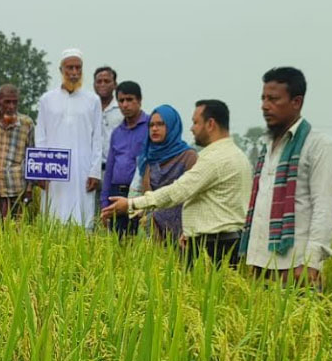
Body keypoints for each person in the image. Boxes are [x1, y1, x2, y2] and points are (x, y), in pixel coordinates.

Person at [102, 100, 252, 267]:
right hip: (215, 238)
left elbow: (179, 191)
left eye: (196, 122)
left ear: (210, 124)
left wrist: (131, 204)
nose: (192, 128)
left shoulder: (214, 159)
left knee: (202, 290)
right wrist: (190, 230)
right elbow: (209, 200)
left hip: (214, 245)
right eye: (152, 125)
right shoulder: (237, 155)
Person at [239, 67, 332, 288]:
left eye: (273, 99)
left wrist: (311, 262)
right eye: (263, 98)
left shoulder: (318, 145)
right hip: (260, 265)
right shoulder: (267, 147)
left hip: (295, 267)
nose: (265, 106)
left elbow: (324, 204)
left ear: (296, 102)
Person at [35, 49, 103, 230]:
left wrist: (95, 172)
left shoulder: (93, 100)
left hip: (83, 169)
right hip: (54, 170)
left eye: (78, 68)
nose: (74, 72)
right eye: (69, 68)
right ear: (61, 70)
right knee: (53, 216)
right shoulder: (46, 100)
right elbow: (40, 136)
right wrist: (41, 171)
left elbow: (97, 138)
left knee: (82, 217)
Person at [135, 105, 197, 242]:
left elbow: (191, 195)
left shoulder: (188, 156)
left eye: (160, 124)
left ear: (172, 126)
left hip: (184, 231)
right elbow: (146, 195)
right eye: (151, 125)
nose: (154, 129)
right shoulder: (149, 158)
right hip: (155, 231)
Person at [100, 80, 147, 238]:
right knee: (118, 242)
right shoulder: (117, 132)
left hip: (139, 194)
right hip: (116, 191)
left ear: (139, 101)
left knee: (140, 241)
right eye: (121, 100)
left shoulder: (150, 127)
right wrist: (104, 203)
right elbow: (109, 169)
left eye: (129, 100)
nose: (125, 105)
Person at [0, 84, 35, 221]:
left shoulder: (26, 123)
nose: (11, 106)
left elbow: (32, 158)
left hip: (15, 188)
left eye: (15, 102)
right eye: (7, 102)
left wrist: (29, 189)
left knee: (14, 234)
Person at [94, 66, 122, 172]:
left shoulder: (122, 110)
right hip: (91, 170)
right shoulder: (88, 109)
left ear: (115, 85)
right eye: (99, 81)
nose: (102, 84)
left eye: (107, 81)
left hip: (115, 169)